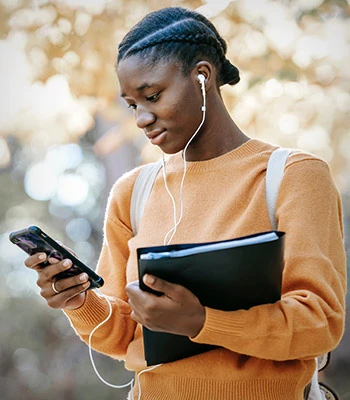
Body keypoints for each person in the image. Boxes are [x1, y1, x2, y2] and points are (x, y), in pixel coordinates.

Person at [24, 6, 346, 400]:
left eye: (153, 95)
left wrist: (201, 321)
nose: (142, 118)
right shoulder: (133, 192)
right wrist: (79, 301)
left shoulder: (293, 176)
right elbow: (122, 335)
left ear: (202, 76)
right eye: (132, 105)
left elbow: (319, 323)